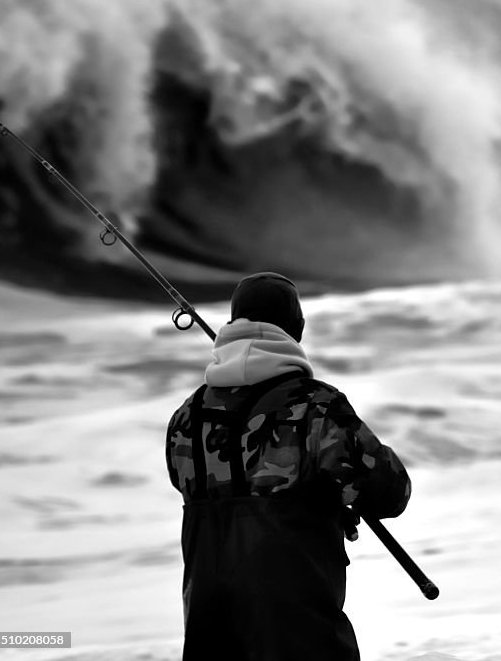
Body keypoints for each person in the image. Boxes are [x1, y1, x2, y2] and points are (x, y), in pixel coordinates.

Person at [166, 272, 411, 660]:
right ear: (296, 330)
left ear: (232, 326)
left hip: (208, 633)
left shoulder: (187, 417)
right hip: (298, 632)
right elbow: (391, 492)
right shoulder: (316, 407)